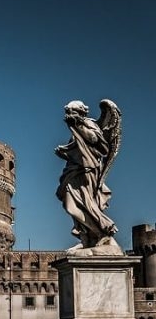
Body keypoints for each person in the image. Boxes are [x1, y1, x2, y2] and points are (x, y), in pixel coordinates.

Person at [55, 99, 121, 251]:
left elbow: (95, 140)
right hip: (74, 171)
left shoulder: (89, 124)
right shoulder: (75, 130)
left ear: (79, 113)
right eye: (67, 113)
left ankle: (101, 233)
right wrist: (64, 152)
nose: (68, 116)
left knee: (86, 203)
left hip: (87, 171)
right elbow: (78, 152)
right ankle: (86, 236)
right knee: (70, 204)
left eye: (71, 112)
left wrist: (77, 125)